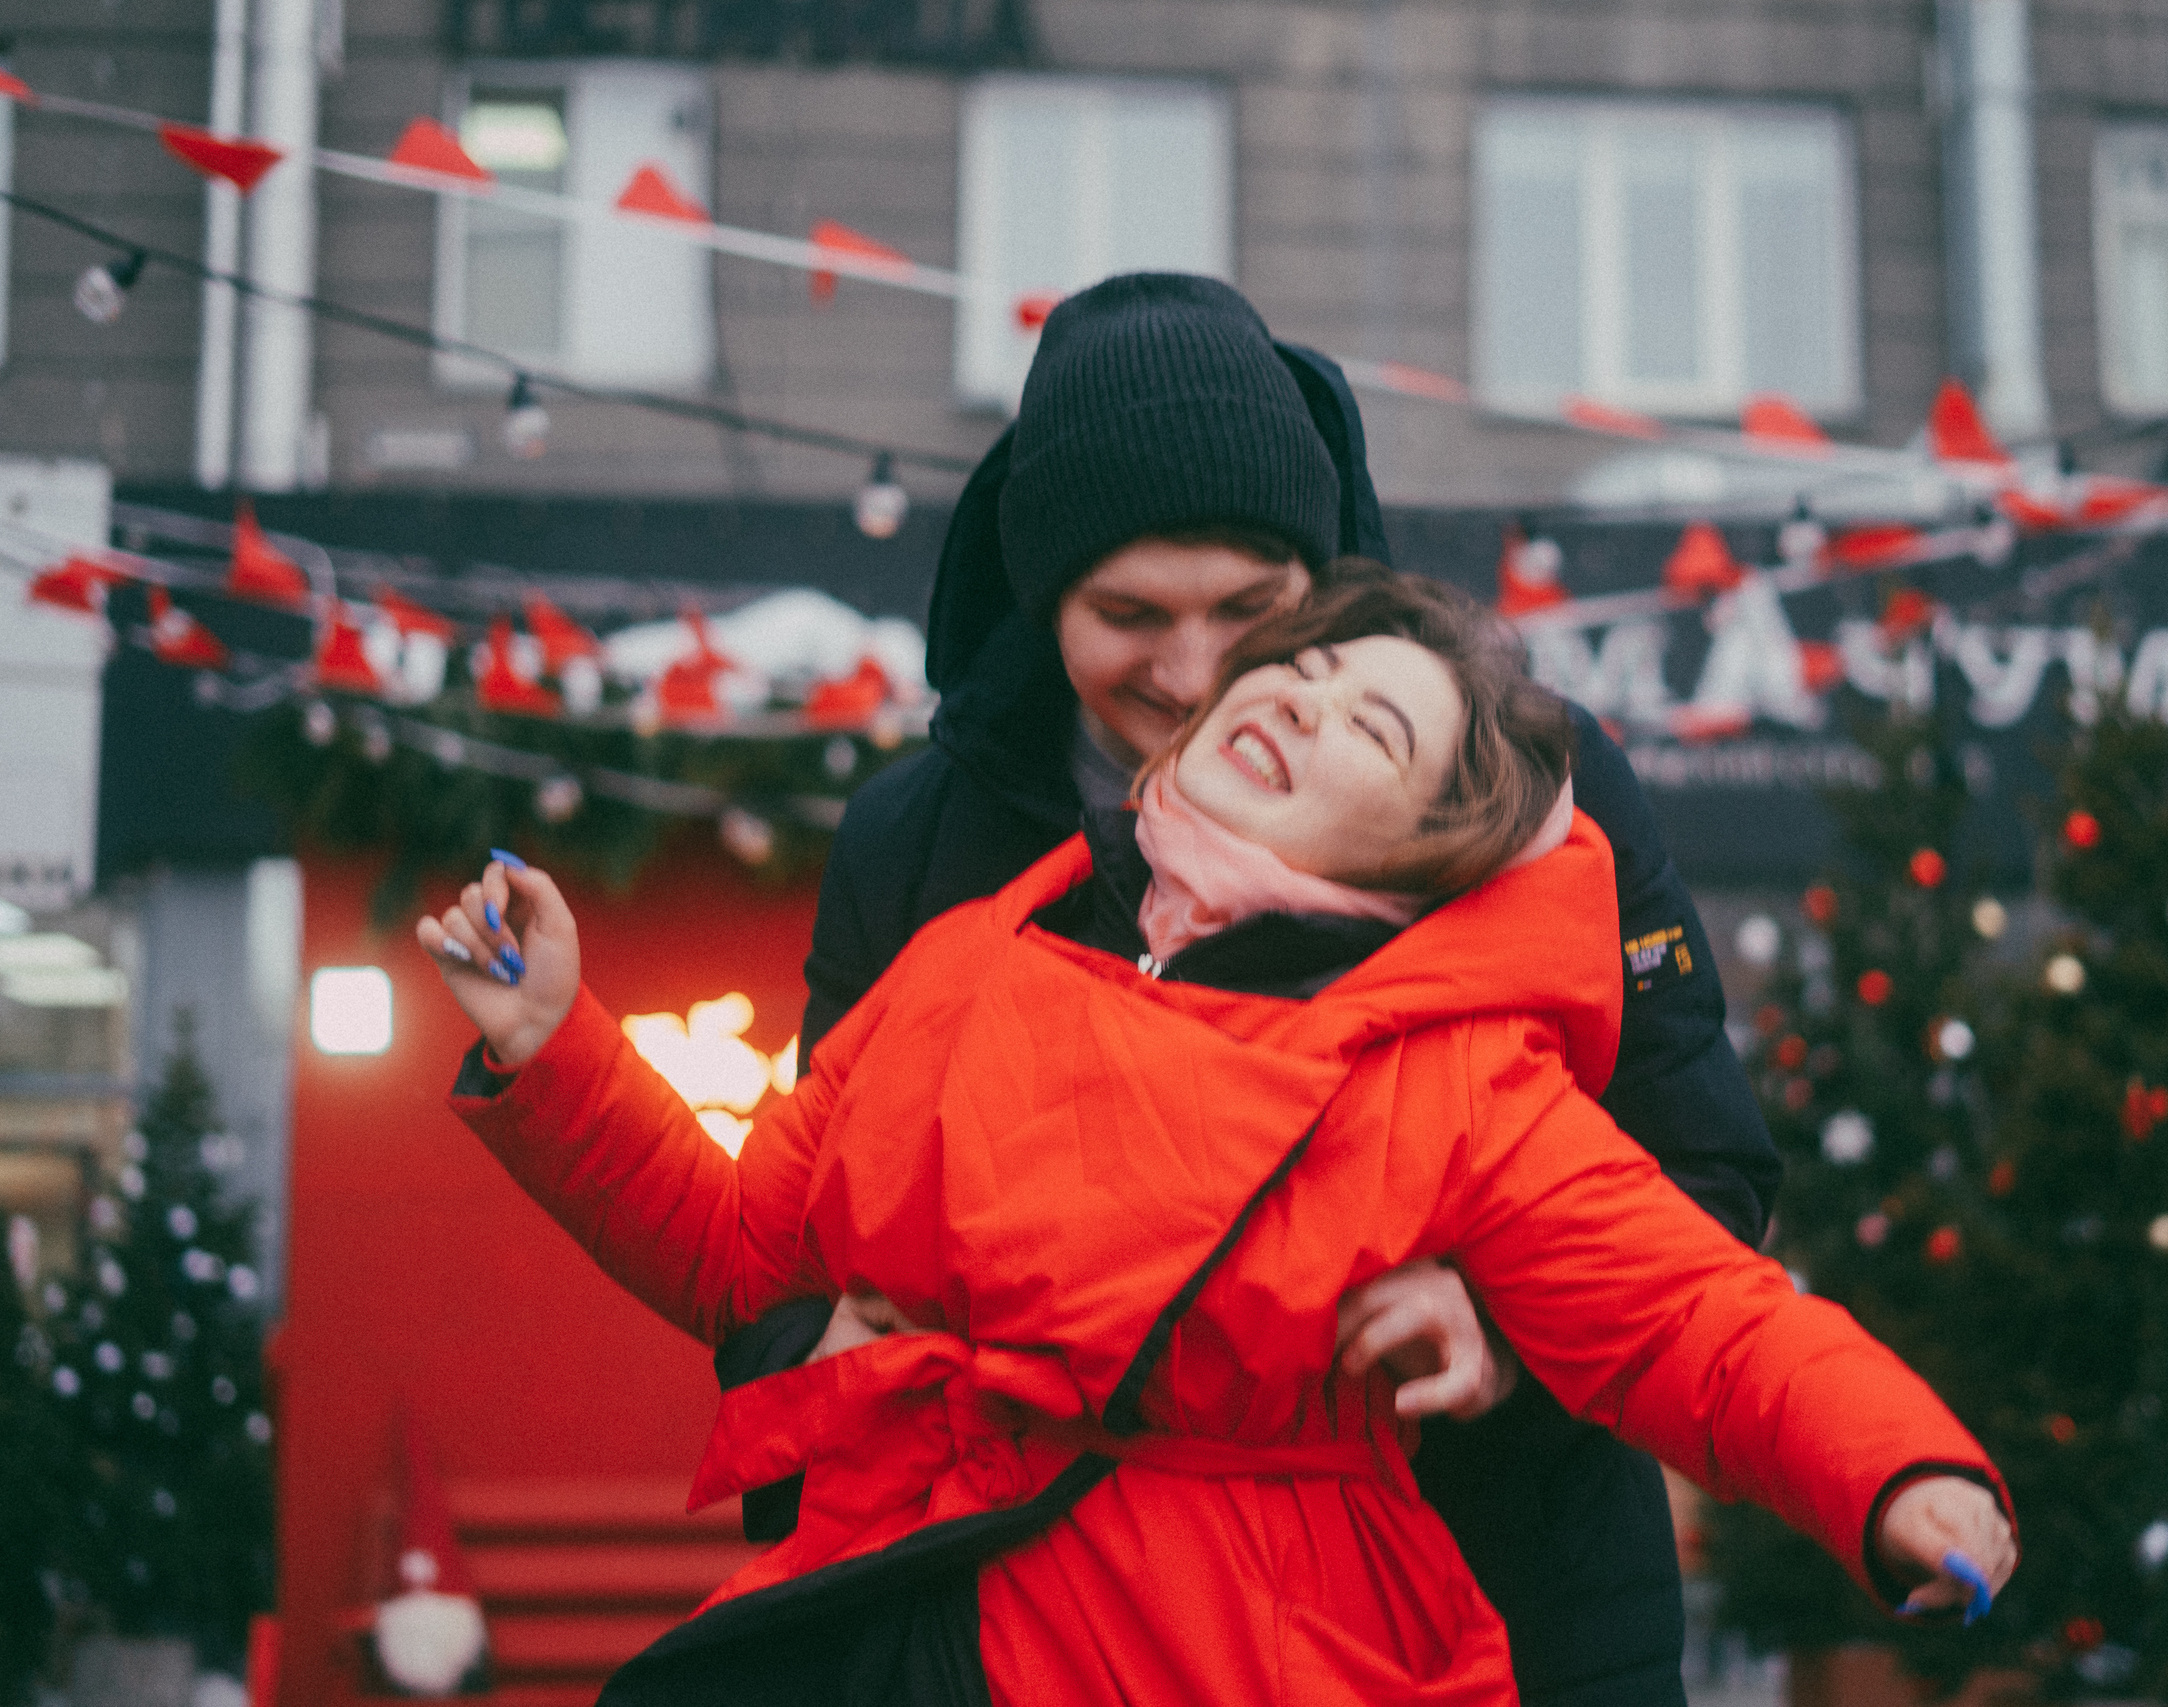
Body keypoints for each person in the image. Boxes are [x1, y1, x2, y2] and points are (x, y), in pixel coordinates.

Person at [421, 573, 2017, 1707]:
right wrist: (557, 1047)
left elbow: (1691, 1315)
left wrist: (1896, 1472)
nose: (1301, 702)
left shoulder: (1456, 1077)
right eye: (1303, 675)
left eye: (1373, 733)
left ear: (1422, 863)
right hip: (909, 1617)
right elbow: (740, 1254)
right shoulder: (973, 960)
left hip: (1244, 1655)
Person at [754, 271, 1784, 1705]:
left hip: (1495, 1604)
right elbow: (792, 1233)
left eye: (1252, 609)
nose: (1191, 673)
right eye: (1128, 613)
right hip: (1040, 1640)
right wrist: (817, 1347)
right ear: (1046, 596)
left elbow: (1703, 1169)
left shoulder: (1526, 802)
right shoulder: (922, 842)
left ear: (1333, 595)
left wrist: (1497, 1322)